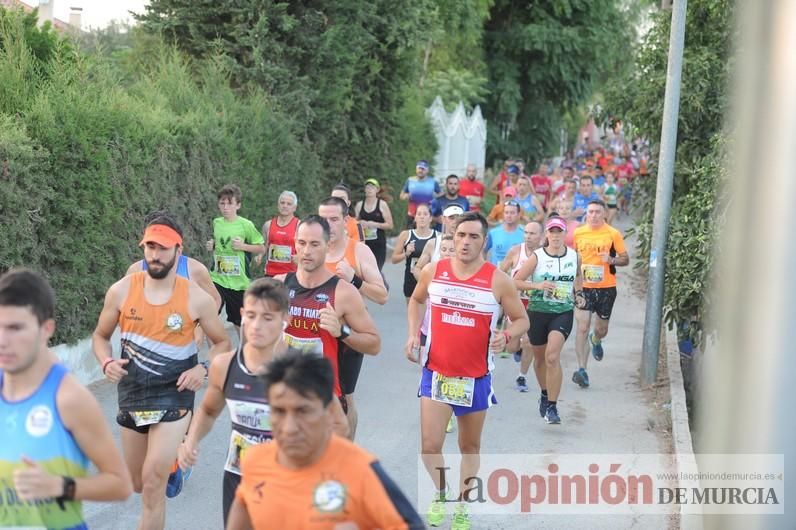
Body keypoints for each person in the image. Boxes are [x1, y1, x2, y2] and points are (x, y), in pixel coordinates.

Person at [177, 278, 349, 524]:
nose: (257, 325)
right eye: (251, 315)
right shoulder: (224, 366)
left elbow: (339, 425)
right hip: (239, 476)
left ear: (285, 321)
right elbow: (208, 410)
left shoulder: (303, 371)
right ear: (241, 315)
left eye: (267, 318)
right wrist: (191, 441)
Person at [93, 222, 231, 530]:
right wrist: (105, 362)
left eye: (162, 248)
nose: (155, 255)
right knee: (140, 484)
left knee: (153, 484)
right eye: (150, 247)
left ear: (178, 251)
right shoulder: (122, 290)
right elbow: (100, 337)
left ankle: (165, 465)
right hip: (131, 395)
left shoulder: (195, 297)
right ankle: (169, 466)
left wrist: (202, 368)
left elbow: (222, 343)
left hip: (174, 395)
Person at [407, 211, 529, 529]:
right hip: (436, 372)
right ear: (453, 236)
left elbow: (521, 320)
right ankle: (440, 493)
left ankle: (462, 505)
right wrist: (412, 334)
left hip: (475, 377)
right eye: (461, 235)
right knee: (430, 445)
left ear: (484, 241)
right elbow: (416, 300)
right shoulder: (434, 271)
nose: (465, 242)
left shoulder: (497, 280)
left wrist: (506, 336)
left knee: (468, 446)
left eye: (474, 236)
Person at [227, 352, 423, 530]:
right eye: (279, 411)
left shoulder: (360, 469)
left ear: (329, 412)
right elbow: (243, 508)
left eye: (303, 411)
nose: (289, 427)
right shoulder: (254, 461)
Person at [0, 269, 132, 529]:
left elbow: (120, 484)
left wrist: (59, 486)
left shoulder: (69, 399)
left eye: (16, 328)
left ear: (46, 329)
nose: (4, 340)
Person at [279, 215, 381, 441]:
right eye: (302, 243)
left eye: (315, 244)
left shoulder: (343, 292)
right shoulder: (278, 286)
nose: (306, 251)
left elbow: (374, 344)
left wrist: (341, 331)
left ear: (327, 246)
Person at [512, 217, 583, 423]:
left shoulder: (574, 256)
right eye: (552, 232)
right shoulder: (537, 257)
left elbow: (578, 276)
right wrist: (538, 286)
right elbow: (515, 282)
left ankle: (552, 406)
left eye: (559, 232)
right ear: (547, 235)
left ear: (564, 234)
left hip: (563, 312)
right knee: (541, 359)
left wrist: (579, 294)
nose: (555, 236)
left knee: (552, 357)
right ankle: (544, 393)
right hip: (537, 312)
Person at [571, 200, 630, 388]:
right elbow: (572, 258)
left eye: (597, 212)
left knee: (601, 329)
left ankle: (595, 340)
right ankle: (582, 370)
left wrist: (611, 259)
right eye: (590, 212)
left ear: (604, 214)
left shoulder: (613, 234)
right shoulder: (578, 232)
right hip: (583, 286)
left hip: (606, 288)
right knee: (582, 326)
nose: (594, 215)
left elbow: (625, 259)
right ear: (586, 214)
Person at [206, 184, 266, 333]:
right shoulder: (217, 222)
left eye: (230, 203)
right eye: (222, 203)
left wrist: (243, 247)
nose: (225, 207)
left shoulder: (246, 225)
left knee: (239, 322)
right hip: (218, 278)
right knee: (209, 314)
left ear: (238, 205)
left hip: (239, 282)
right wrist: (213, 245)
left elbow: (261, 248)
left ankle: (243, 353)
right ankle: (216, 354)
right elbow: (220, 243)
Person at [500, 220, 544, 389]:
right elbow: (501, 271)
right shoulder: (515, 251)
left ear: (540, 236)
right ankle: (516, 350)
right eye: (526, 233)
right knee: (511, 347)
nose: (528, 236)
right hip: (516, 304)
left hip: (535, 305)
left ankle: (522, 377)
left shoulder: (545, 254)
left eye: (532, 233)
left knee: (529, 342)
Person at [391, 203, 437, 303]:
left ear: (430, 218)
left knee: (428, 314)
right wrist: (406, 253)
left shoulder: (438, 236)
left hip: (429, 280)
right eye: (419, 214)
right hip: (410, 279)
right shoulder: (406, 235)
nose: (422, 217)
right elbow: (394, 259)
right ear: (415, 218)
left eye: (425, 214)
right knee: (412, 314)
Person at [255, 190, 299, 277]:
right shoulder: (268, 225)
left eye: (289, 204)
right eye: (282, 203)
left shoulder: (300, 226)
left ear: (294, 207)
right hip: (270, 274)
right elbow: (264, 245)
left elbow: (306, 249)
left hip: (291, 275)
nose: (285, 206)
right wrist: (259, 256)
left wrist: (299, 257)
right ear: (278, 205)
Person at [411, 204, 462, 279]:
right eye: (451, 218)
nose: (455, 222)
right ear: (443, 219)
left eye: (459, 218)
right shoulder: (433, 243)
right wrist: (427, 285)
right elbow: (417, 268)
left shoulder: (466, 244)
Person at [354, 178, 394, 271]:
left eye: (372, 187)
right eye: (367, 187)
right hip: (364, 243)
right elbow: (355, 224)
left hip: (378, 244)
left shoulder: (382, 204)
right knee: (364, 270)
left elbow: (390, 225)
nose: (369, 189)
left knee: (376, 270)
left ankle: (382, 283)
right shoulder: (360, 205)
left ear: (377, 190)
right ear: (364, 190)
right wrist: (360, 224)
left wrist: (375, 224)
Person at [400, 159, 441, 228]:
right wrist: (406, 196)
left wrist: (435, 197)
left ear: (427, 170)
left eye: (423, 169)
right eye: (419, 168)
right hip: (412, 215)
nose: (420, 171)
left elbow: (441, 195)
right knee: (411, 236)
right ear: (416, 169)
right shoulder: (410, 180)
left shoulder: (433, 182)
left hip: (427, 215)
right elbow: (401, 196)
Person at [484, 200, 524, 266]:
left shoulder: (525, 232)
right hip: (496, 273)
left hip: (517, 274)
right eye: (506, 212)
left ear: (519, 215)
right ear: (503, 214)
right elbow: (483, 251)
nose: (509, 215)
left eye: (512, 213)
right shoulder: (493, 233)